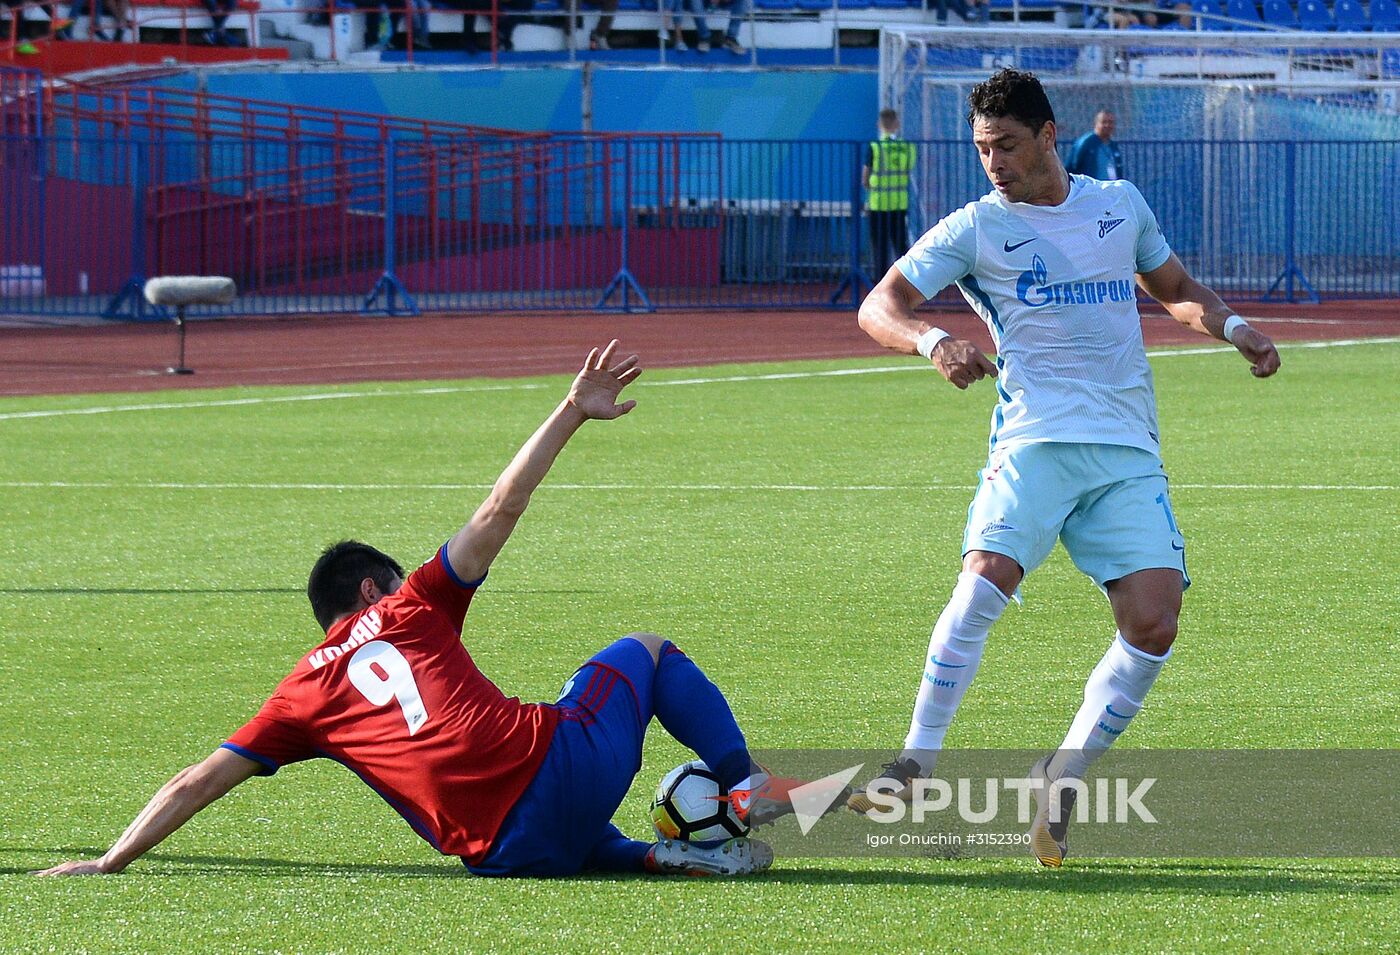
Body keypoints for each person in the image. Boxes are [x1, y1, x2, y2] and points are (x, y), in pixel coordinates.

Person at [34, 342, 820, 880]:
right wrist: (573, 410)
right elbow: (501, 505)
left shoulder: (300, 693)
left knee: (535, 819)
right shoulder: (412, 601)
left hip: (504, 852)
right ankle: (744, 784)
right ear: (373, 590)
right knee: (643, 648)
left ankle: (661, 856)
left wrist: (111, 859)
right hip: (560, 773)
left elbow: (196, 781)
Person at [847, 69, 1280, 868]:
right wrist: (931, 341)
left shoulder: (1119, 204)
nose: (993, 162)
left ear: (1048, 134)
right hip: (1036, 440)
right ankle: (916, 759)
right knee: (986, 576)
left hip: (1125, 451)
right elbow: (881, 303)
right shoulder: (974, 227)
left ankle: (1065, 775)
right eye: (981, 149)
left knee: (1155, 621)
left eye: (1005, 144)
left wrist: (1237, 327)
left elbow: (1175, 286)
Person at [863, 108, 917, 281]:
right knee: (901, 246)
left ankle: (881, 285)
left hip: (878, 204)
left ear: (879, 125)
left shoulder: (875, 147)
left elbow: (865, 177)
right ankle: (906, 284)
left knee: (880, 248)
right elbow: (908, 169)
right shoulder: (907, 147)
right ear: (897, 124)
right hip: (899, 204)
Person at [1066, 109, 1125, 180]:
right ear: (1096, 124)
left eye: (1110, 122)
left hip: (1111, 189)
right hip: (1091, 188)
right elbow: (1072, 167)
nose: (1107, 125)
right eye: (1104, 122)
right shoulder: (1086, 142)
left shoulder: (1113, 146)